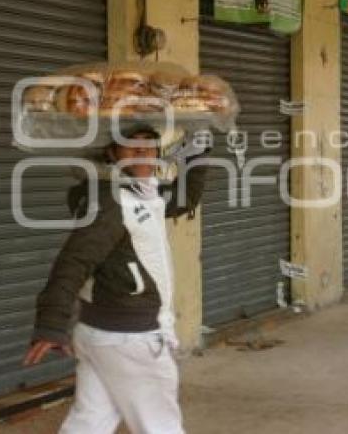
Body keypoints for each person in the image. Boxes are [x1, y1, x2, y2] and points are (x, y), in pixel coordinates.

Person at [23, 126, 210, 434]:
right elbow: (75, 260)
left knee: (89, 423)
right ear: (111, 153)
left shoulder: (142, 192)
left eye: (149, 146)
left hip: (102, 336)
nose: (142, 152)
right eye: (130, 146)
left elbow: (182, 198)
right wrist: (51, 323)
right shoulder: (113, 201)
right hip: (131, 338)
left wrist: (198, 154)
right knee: (160, 426)